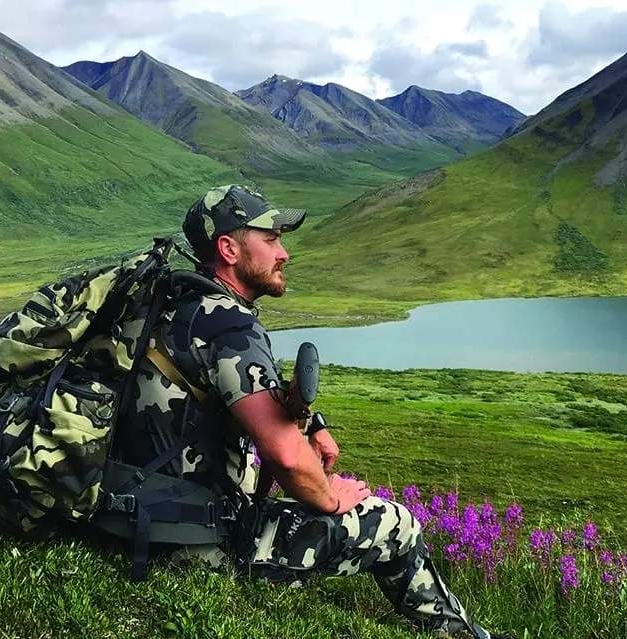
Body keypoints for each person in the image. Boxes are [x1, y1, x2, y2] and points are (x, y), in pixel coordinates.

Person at [116, 184, 501, 638]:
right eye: (271, 239)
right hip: (189, 543)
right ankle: (462, 634)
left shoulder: (166, 302)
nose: (284, 253)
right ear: (229, 249)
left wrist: (310, 422)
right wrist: (333, 497)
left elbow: (232, 390)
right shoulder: (230, 326)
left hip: (126, 512)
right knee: (397, 524)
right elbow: (286, 458)